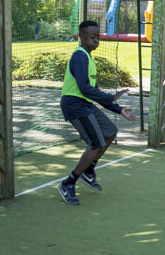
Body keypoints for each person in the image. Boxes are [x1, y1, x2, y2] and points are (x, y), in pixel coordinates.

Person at [57, 20, 136, 206]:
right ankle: (68, 183)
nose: (96, 41)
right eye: (92, 37)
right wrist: (111, 97)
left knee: (110, 131)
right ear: (81, 36)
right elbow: (84, 89)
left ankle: (88, 170)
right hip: (74, 105)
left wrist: (118, 109)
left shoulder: (89, 59)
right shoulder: (79, 56)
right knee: (96, 143)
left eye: (98, 37)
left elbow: (94, 93)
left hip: (84, 103)